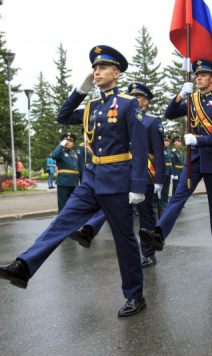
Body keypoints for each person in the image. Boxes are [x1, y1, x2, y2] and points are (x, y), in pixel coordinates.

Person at [0, 45, 149, 317]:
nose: (97, 71)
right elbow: (61, 116)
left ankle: (135, 296)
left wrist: (138, 185)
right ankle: (23, 267)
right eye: (94, 68)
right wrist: (80, 91)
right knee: (61, 223)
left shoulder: (128, 104)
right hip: (91, 179)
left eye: (103, 68)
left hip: (118, 180)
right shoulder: (91, 107)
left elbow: (141, 147)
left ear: (117, 73)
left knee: (124, 240)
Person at [139, 59, 212, 273]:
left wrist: (199, 140)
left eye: (203, 74)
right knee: (177, 198)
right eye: (197, 74)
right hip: (193, 160)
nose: (198, 77)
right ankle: (159, 233)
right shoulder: (191, 101)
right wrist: (181, 95)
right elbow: (169, 113)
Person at [69, 82, 167, 268]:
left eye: (138, 97)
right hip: (120, 170)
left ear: (145, 102)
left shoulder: (152, 121)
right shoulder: (118, 112)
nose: (133, 99)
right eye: (131, 96)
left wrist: (159, 179)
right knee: (109, 206)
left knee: (145, 214)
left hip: (142, 172)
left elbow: (158, 152)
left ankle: (148, 253)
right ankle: (89, 229)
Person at [52, 132, 79, 212]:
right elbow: (54, 155)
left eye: (70, 141)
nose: (68, 142)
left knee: (73, 205)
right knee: (63, 205)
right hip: (63, 182)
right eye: (65, 140)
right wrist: (61, 145)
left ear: (73, 144)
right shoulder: (60, 152)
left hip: (74, 182)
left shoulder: (74, 154)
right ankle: (61, 222)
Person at [159, 134, 173, 209]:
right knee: (162, 189)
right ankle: (161, 203)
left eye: (167, 141)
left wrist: (172, 173)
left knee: (167, 188)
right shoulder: (160, 150)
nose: (166, 142)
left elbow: (171, 163)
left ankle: (165, 202)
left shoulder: (168, 151)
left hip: (169, 172)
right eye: (165, 141)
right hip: (163, 172)